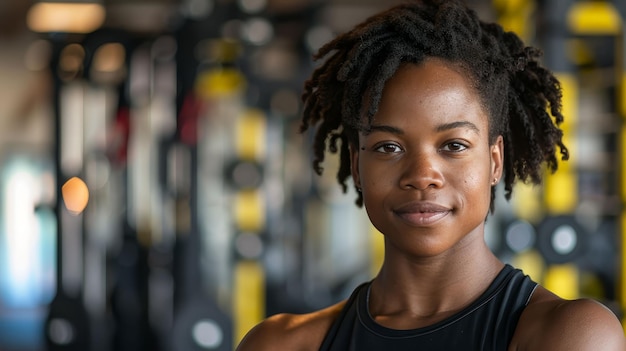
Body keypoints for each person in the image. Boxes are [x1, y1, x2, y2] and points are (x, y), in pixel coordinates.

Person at [236, 0, 626, 349]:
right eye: (389, 147)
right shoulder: (281, 344)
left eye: (453, 145)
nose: (423, 175)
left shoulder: (571, 335)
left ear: (494, 161)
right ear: (357, 165)